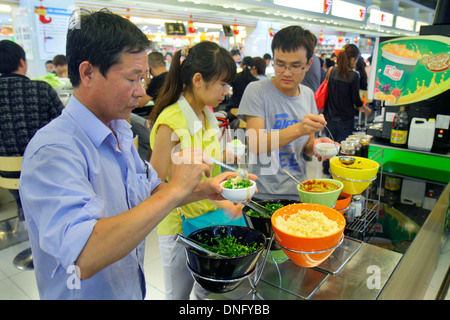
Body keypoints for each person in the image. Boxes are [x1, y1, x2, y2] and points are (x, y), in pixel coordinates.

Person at [18, 9, 237, 300]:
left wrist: (206, 190)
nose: (141, 92)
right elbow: (85, 253)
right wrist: (174, 192)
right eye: (132, 79)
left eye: (143, 78)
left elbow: (151, 190)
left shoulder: (118, 131)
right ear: (88, 73)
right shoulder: (54, 150)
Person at [148, 41, 248, 300]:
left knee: (206, 290)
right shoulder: (171, 122)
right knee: (178, 295)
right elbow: (154, 188)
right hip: (178, 227)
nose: (227, 92)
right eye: (222, 84)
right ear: (198, 80)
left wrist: (229, 169)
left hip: (209, 216)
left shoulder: (207, 114)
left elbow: (206, 164)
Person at [237, 25, 334, 200]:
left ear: (309, 64)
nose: (286, 73)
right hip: (262, 194)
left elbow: (307, 147)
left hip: (299, 190)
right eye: (280, 64)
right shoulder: (257, 90)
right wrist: (299, 128)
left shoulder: (307, 95)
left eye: (296, 66)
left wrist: (317, 146)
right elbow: (255, 144)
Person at [0, 40, 64, 219]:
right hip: (44, 167)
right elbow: (64, 124)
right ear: (22, 62)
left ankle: (24, 209)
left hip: (5, 172)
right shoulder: (42, 89)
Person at [321, 44, 372, 175]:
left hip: (329, 117)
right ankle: (337, 173)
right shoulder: (353, 76)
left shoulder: (331, 71)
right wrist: (365, 108)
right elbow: (355, 99)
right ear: (352, 59)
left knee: (330, 146)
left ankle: (327, 170)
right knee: (342, 148)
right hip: (345, 119)